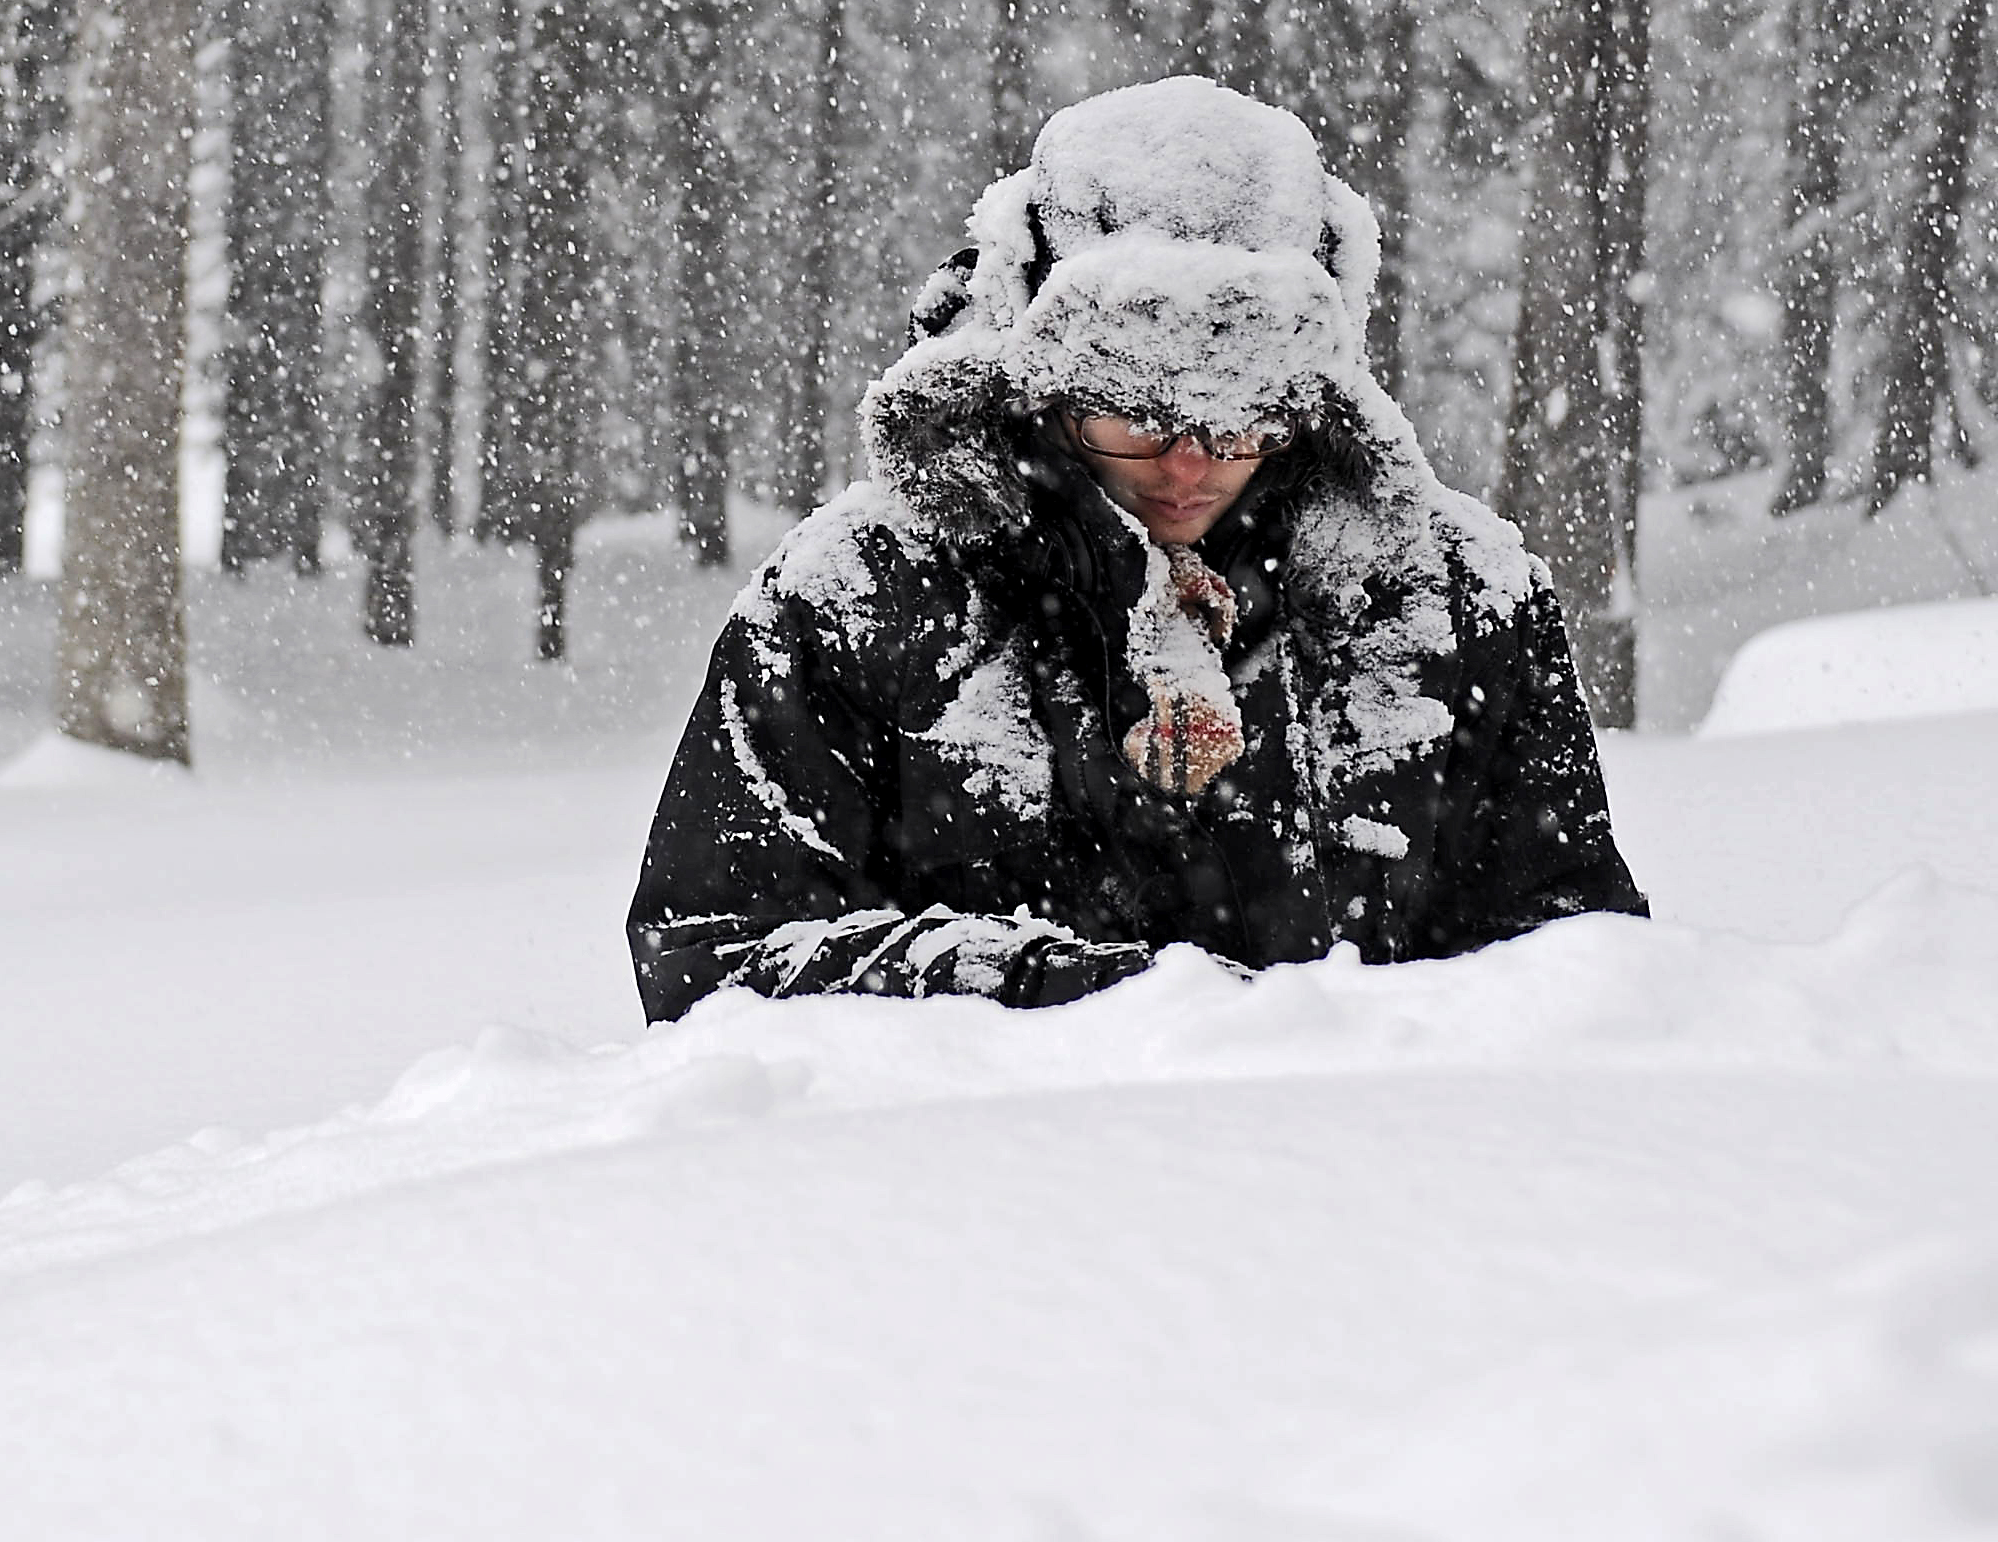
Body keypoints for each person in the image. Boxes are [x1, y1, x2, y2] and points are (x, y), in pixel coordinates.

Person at [628, 75, 1648, 1019]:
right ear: (1035, 386)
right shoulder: (861, 592)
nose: (1189, 467)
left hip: (1356, 1184)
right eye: (1135, 419)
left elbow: (1576, 970)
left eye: (1244, 420)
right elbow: (713, 960)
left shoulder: (1454, 594)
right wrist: (1085, 1004)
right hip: (971, 1191)